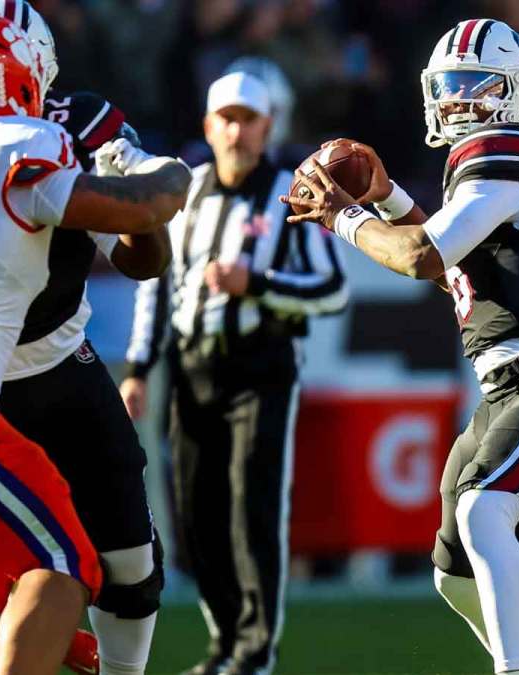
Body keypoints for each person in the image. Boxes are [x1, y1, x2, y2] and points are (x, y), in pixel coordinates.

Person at [284, 19, 519, 675]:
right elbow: (452, 262)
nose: (454, 100)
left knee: (486, 509)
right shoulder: (487, 170)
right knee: (453, 572)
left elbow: (424, 256)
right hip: (513, 383)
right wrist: (389, 197)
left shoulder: (506, 149)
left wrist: (346, 214)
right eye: (447, 86)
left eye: (471, 85)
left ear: (512, 92)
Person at [0, 10, 188, 675]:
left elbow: (141, 254)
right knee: (60, 564)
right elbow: (139, 208)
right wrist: (168, 177)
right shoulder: (17, 143)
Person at [121, 71, 347, 675]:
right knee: (198, 513)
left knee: (253, 506)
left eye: (249, 119)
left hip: (262, 365)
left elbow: (332, 289)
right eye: (227, 117)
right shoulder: (186, 190)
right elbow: (157, 286)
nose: (237, 129)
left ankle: (255, 652)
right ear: (207, 125)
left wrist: (260, 285)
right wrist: (140, 368)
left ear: (269, 126)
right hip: (192, 365)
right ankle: (224, 642)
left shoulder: (292, 193)